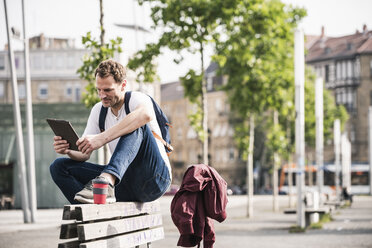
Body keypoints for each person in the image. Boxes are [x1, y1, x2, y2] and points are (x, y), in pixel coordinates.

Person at [50, 59, 171, 204]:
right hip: (124, 183)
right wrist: (68, 150)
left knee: (136, 124)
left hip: (155, 179)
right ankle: (90, 214)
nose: (102, 95)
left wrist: (101, 138)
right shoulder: (98, 111)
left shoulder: (136, 99)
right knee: (59, 167)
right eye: (98, 90)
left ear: (123, 85)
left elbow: (145, 115)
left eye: (108, 90)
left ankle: (107, 181)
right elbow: (84, 153)